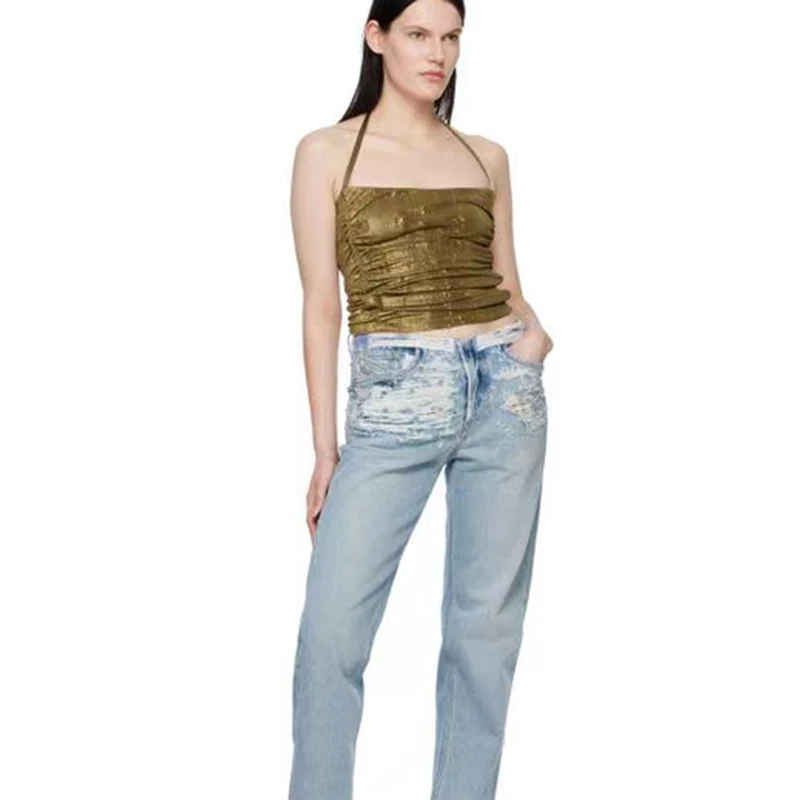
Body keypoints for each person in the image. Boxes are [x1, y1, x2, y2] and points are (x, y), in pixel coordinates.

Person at [288, 1, 553, 797]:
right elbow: (320, 305)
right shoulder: (325, 151)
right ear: (376, 38)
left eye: (450, 37)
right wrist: (325, 451)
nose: (436, 53)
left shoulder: (485, 156)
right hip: (393, 399)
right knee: (332, 636)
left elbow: (507, 279)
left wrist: (534, 342)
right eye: (417, 34)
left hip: (503, 399)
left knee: (484, 635)